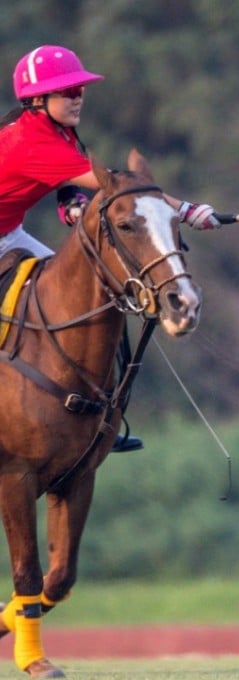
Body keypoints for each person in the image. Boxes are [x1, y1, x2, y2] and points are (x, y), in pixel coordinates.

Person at [1, 45, 222, 452]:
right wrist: (188, 211)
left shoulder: (57, 128)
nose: (77, 97)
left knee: (75, 292)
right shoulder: (30, 139)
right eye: (66, 91)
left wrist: (70, 204)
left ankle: (97, 415)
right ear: (37, 100)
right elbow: (118, 185)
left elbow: (68, 180)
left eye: (79, 89)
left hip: (8, 232)